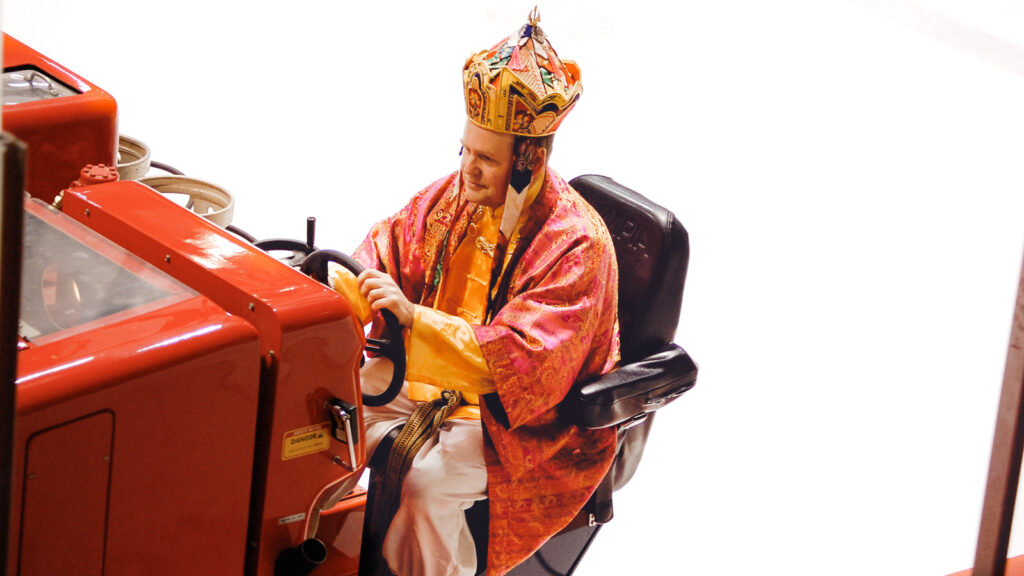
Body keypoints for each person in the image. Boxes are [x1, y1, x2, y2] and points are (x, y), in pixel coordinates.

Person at [332, 9, 620, 576]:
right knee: (327, 410)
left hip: (531, 424)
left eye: (485, 158)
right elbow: (389, 245)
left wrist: (414, 320)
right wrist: (341, 292)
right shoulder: (461, 195)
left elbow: (522, 362)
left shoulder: (576, 246)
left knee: (427, 486)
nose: (467, 170)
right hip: (433, 381)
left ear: (529, 159)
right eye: (464, 150)